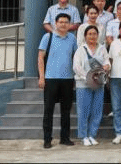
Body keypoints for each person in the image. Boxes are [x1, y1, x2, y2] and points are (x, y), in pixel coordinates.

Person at [37, 13, 79, 149]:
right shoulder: (47, 37)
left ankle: (65, 138)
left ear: (70, 24)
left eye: (66, 22)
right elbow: (40, 57)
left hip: (68, 79)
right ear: (55, 23)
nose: (63, 24)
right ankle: (47, 139)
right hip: (50, 79)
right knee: (48, 110)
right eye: (61, 22)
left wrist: (76, 76)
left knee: (66, 111)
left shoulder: (72, 38)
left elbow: (76, 57)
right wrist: (42, 77)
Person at [73, 25, 109, 147]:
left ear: (98, 35)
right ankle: (84, 136)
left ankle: (92, 135)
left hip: (99, 83)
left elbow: (107, 62)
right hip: (83, 84)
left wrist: (106, 66)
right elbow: (76, 67)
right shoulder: (80, 50)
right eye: (90, 34)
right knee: (84, 111)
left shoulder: (102, 48)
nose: (92, 36)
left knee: (97, 110)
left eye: (94, 34)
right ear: (85, 36)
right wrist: (88, 78)